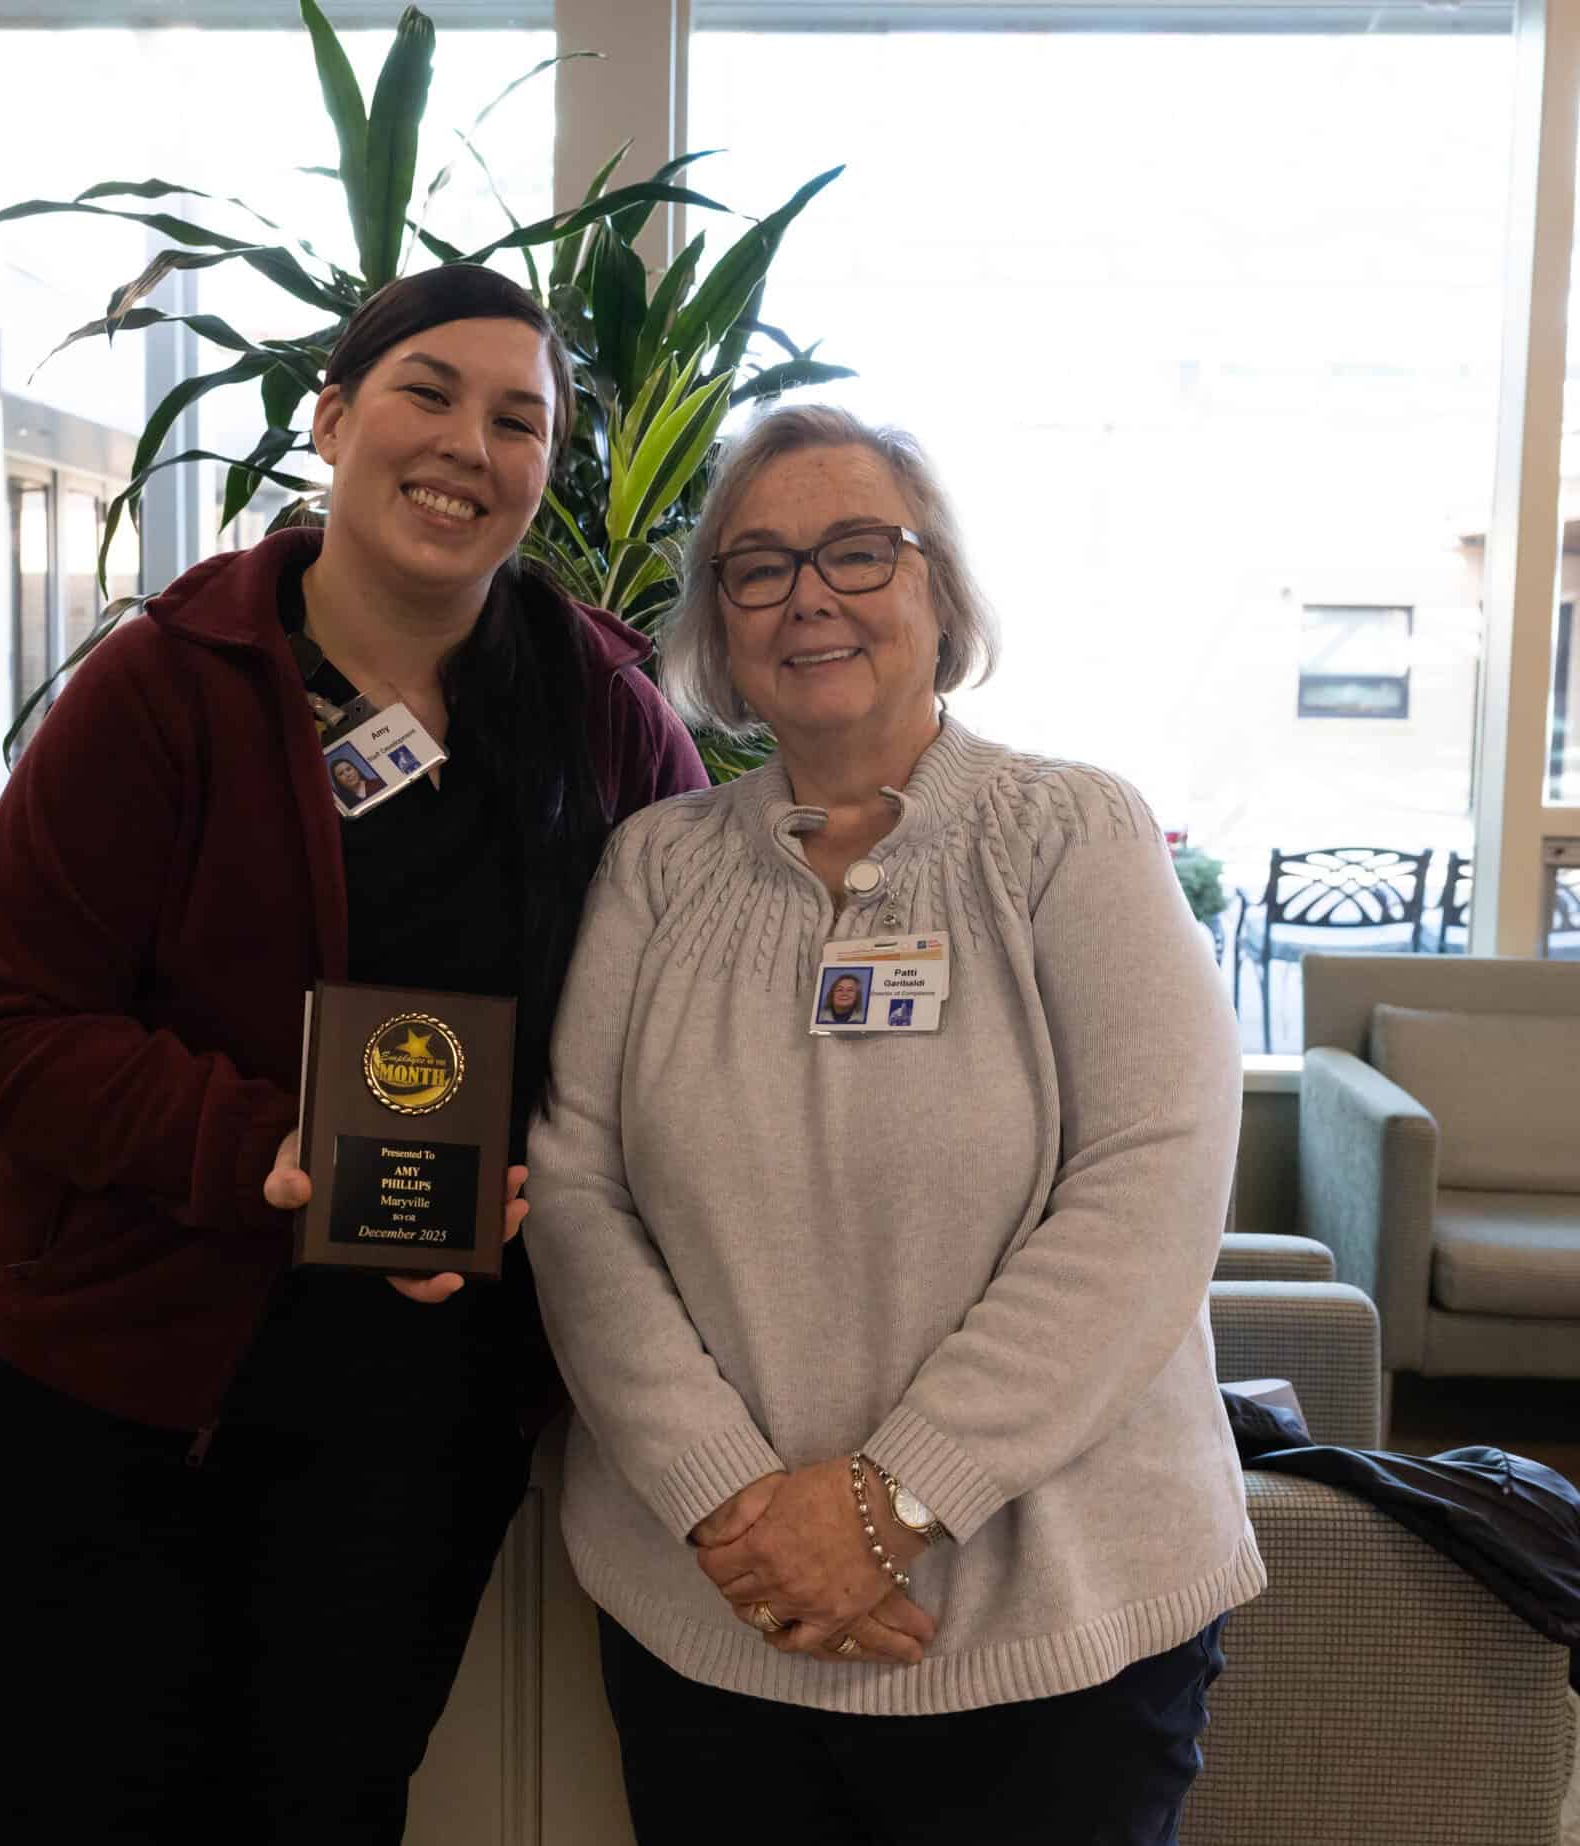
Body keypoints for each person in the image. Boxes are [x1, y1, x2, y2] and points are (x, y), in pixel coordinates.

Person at [0, 263, 706, 1846]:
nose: (470, 442)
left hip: (411, 1423)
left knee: (321, 1813)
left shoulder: (600, 709)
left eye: (518, 418)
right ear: (333, 416)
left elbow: (701, 998)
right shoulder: (166, 685)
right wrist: (265, 1150)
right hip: (95, 1385)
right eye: (427, 393)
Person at [525, 405, 1259, 1845]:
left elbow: (1150, 1189)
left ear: (942, 591)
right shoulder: (654, 868)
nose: (811, 593)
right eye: (759, 565)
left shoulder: (1077, 834)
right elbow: (574, 1187)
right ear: (719, 626)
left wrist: (888, 1501)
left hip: (1056, 1634)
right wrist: (734, 1503)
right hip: (715, 1617)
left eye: (861, 550)